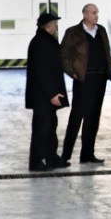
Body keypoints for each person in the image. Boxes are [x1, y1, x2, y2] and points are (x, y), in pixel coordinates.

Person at [60, 3, 111, 164]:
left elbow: (106, 50)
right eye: (93, 12)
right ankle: (65, 156)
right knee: (77, 116)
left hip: (100, 79)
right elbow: (63, 56)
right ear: (85, 14)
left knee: (93, 117)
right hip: (83, 79)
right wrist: (72, 72)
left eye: (97, 12)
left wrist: (107, 70)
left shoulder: (101, 30)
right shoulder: (73, 32)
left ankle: (87, 154)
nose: (96, 15)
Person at [26, 12, 68, 171]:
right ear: (48, 26)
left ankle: (51, 158)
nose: (56, 27)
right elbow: (42, 72)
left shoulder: (46, 41)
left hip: (47, 95)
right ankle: (36, 162)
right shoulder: (39, 43)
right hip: (43, 96)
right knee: (41, 129)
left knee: (50, 127)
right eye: (54, 24)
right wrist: (52, 94)